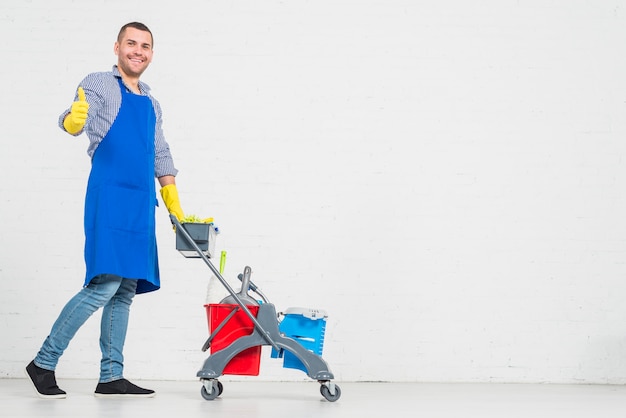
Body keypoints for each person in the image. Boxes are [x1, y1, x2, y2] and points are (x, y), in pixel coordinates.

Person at [26, 22, 185, 399]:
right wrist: (72, 121)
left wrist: (175, 202)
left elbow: (160, 152)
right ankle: (44, 362)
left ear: (151, 53)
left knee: (125, 289)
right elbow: (75, 115)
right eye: (131, 43)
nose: (138, 51)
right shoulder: (99, 83)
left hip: (142, 201)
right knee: (105, 284)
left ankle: (111, 375)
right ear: (117, 47)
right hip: (111, 195)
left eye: (145, 46)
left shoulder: (152, 102)